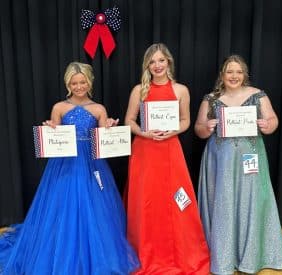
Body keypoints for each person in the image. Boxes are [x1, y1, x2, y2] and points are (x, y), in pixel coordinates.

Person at [0, 62, 139, 274]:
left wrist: (109, 126)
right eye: (74, 83)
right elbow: (54, 134)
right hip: (65, 162)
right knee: (62, 205)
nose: (79, 86)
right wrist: (51, 130)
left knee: (93, 206)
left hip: (92, 162)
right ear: (68, 84)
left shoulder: (99, 109)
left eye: (82, 82)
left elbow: (102, 138)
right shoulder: (59, 107)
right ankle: (60, 249)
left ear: (89, 82)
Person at [195, 54, 282, 274]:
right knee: (222, 202)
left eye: (238, 72)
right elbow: (199, 129)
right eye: (229, 71)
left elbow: (273, 122)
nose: (234, 76)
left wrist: (266, 124)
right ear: (222, 75)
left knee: (251, 201)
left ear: (245, 75)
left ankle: (251, 253)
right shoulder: (211, 98)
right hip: (219, 161)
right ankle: (223, 255)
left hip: (250, 158)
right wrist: (208, 126)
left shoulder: (257, 95)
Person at [124, 43, 210, 274]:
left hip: (170, 150)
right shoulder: (138, 90)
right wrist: (144, 132)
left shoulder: (181, 90)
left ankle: (179, 251)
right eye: (152, 61)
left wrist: (173, 131)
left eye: (161, 60)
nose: (157, 65)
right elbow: (129, 121)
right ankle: (146, 251)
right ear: (147, 66)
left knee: (175, 200)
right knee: (147, 202)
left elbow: (185, 121)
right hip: (145, 150)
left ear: (168, 62)